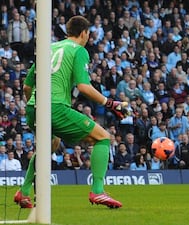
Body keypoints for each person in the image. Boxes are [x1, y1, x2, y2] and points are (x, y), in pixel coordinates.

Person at [14, 16, 128, 209]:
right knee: (103, 138)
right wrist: (109, 103)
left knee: (51, 143)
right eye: (88, 34)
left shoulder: (48, 48)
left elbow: (27, 86)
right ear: (84, 33)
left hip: (33, 106)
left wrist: (35, 106)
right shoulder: (78, 51)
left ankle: (24, 192)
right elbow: (83, 86)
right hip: (55, 106)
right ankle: (98, 191)